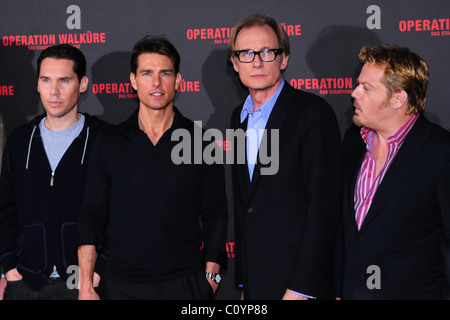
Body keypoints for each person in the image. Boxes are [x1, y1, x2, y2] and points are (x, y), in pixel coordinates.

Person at [77, 35, 228, 300]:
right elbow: (91, 214)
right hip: (119, 285)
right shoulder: (109, 143)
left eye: (164, 73)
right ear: (133, 81)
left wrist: (211, 277)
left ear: (178, 81)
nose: (156, 83)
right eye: (147, 73)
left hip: (186, 286)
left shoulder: (202, 143)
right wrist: (86, 284)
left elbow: (216, 214)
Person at [228, 14, 342, 300]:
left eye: (267, 52)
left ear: (284, 58)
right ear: (234, 62)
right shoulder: (238, 119)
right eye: (246, 53)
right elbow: (246, 205)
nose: (256, 62)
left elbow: (324, 207)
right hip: (257, 282)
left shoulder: (312, 113)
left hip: (300, 286)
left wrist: (301, 289)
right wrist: (244, 283)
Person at [337, 44, 450, 299]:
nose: (354, 93)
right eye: (358, 84)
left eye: (366, 88)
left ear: (398, 98)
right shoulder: (354, 142)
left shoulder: (440, 153)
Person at [0, 44, 108, 299]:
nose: (54, 91)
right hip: (26, 282)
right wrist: (9, 267)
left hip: (85, 282)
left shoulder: (104, 139)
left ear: (82, 84)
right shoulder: (19, 141)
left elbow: (120, 212)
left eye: (64, 80)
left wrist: (99, 269)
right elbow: (6, 210)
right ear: (37, 84)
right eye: (46, 80)